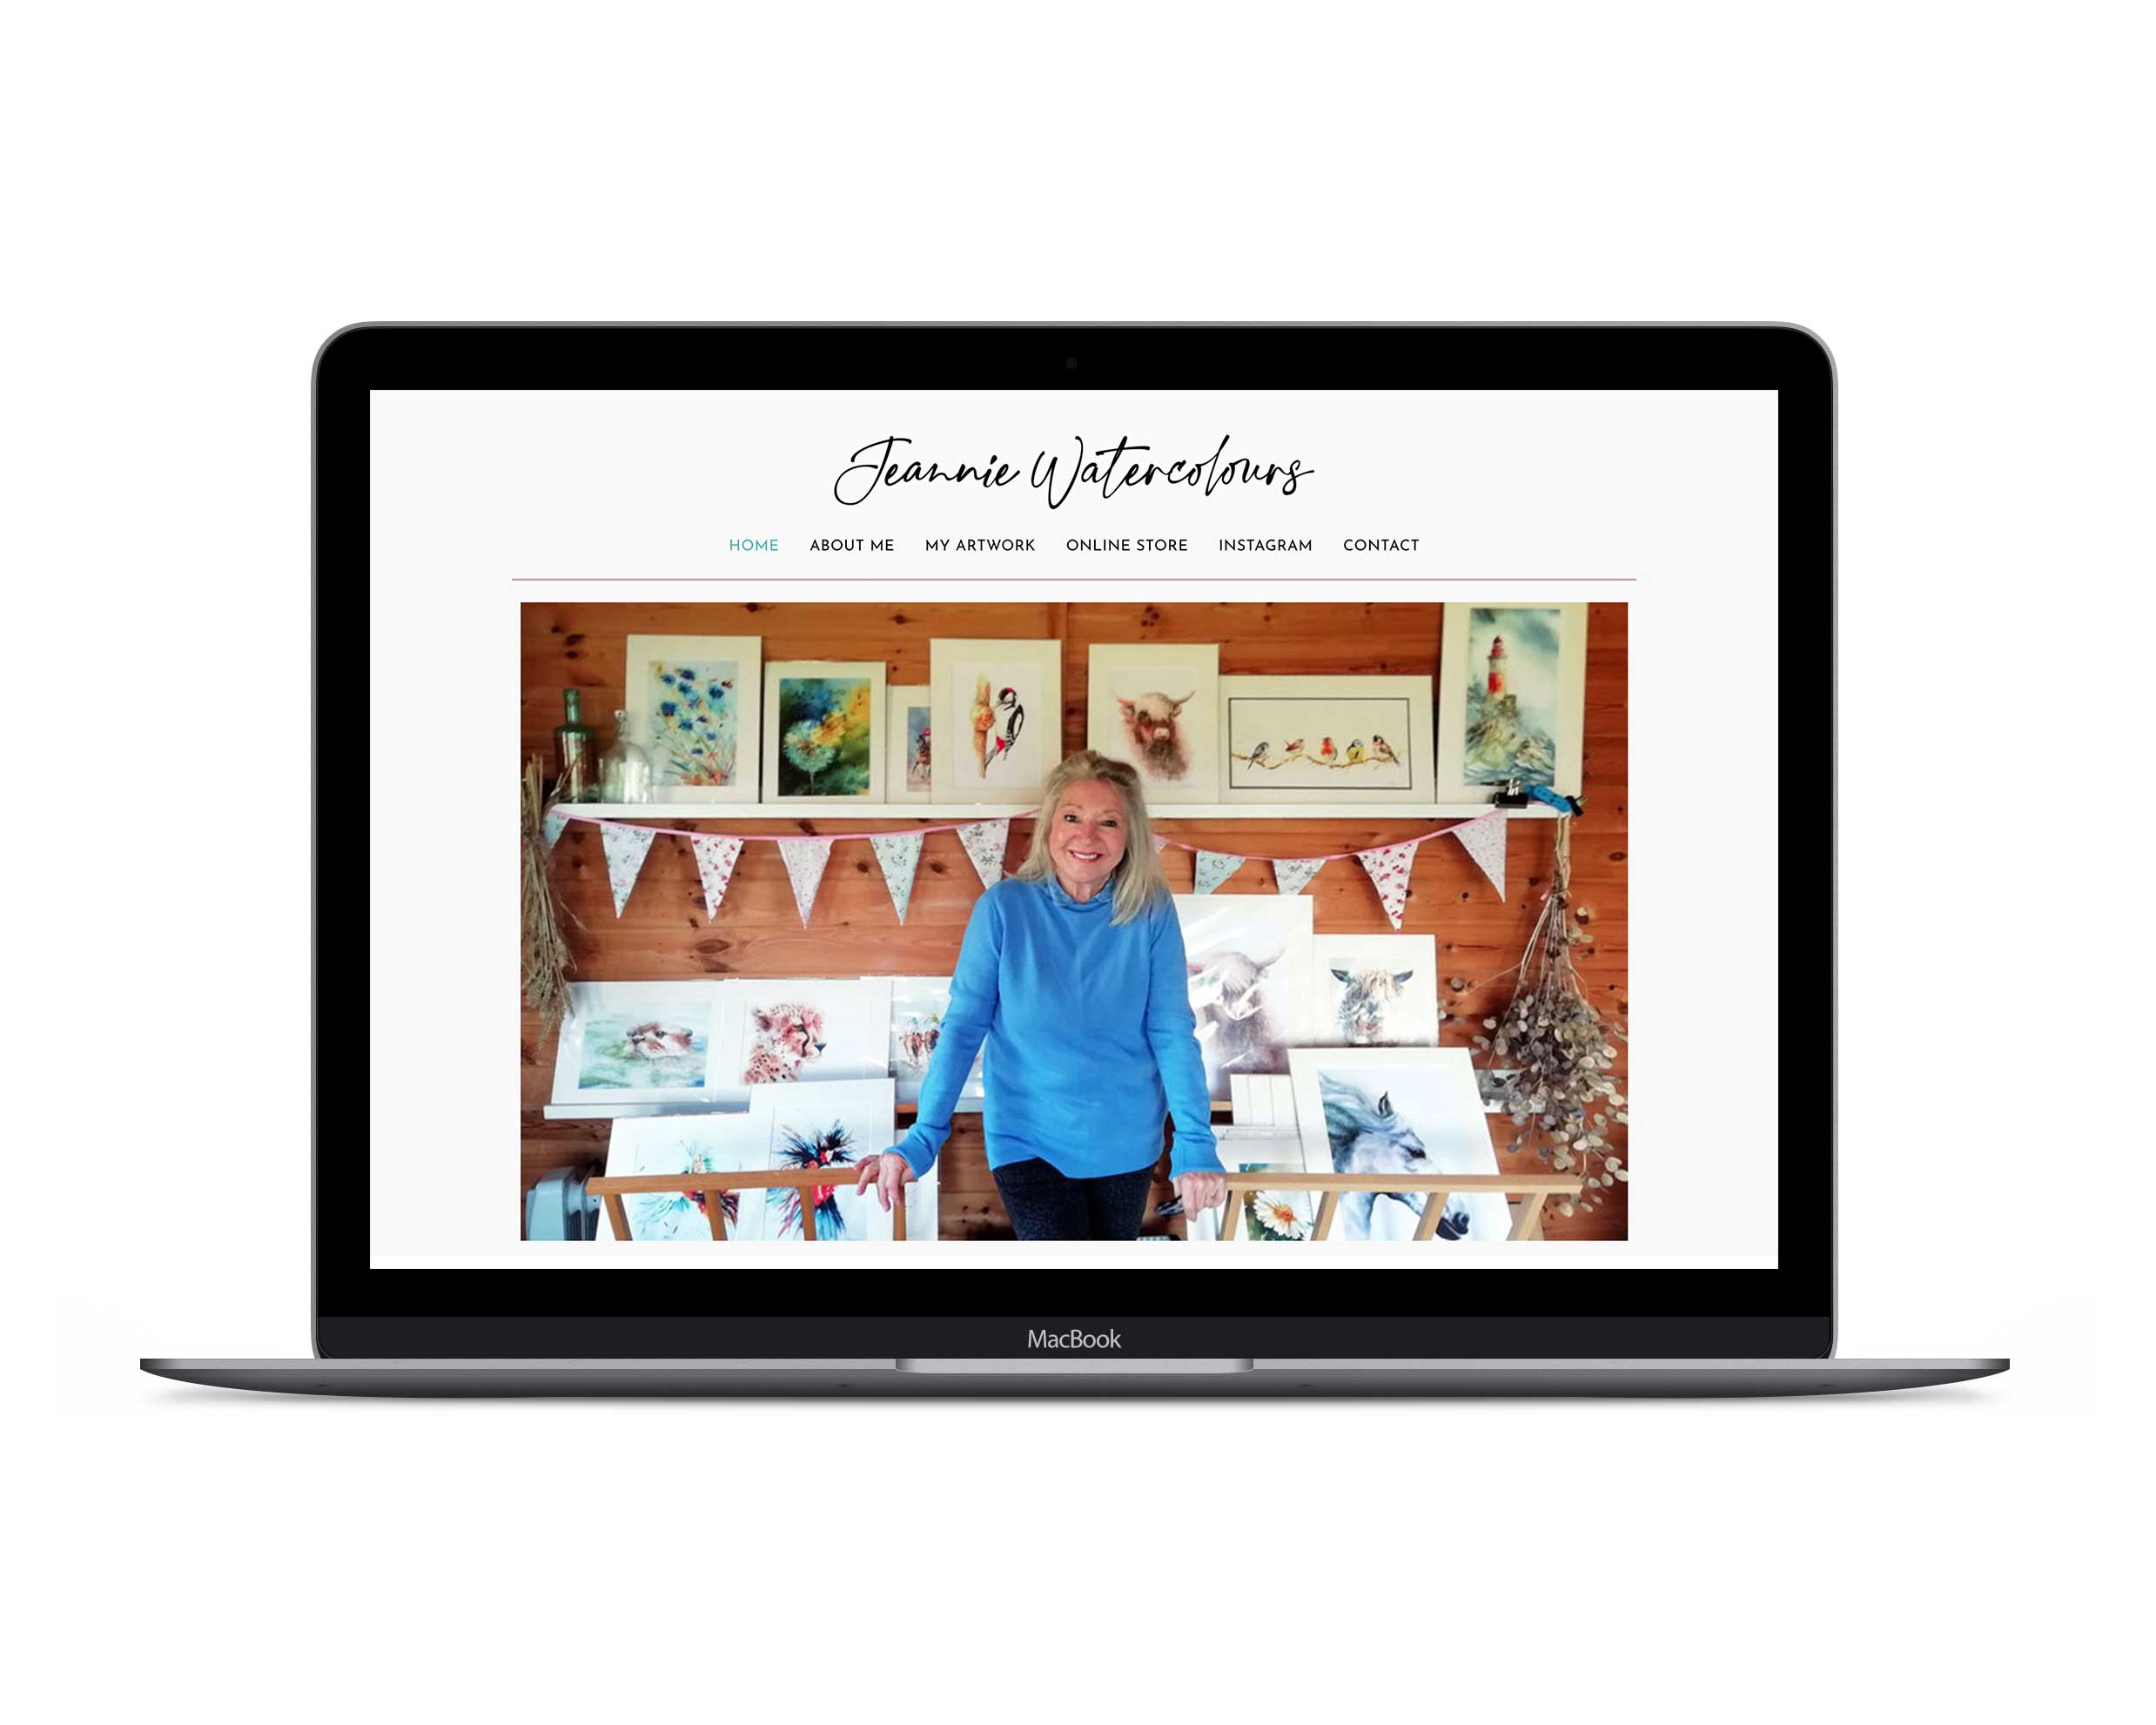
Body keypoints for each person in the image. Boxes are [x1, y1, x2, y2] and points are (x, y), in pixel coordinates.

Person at [855, 749, 1227, 1239]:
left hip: (1128, 1138)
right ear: (1049, 825)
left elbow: (1172, 1031)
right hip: (1027, 1139)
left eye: (1108, 822)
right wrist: (922, 1139)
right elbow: (963, 1029)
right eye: (1072, 817)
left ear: (1130, 835)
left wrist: (1195, 1143)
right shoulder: (1002, 909)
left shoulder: (1151, 910)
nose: (1087, 836)